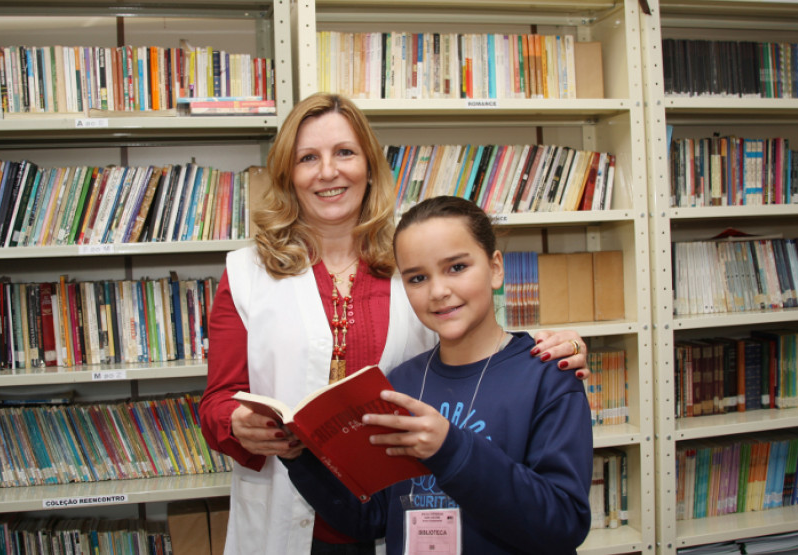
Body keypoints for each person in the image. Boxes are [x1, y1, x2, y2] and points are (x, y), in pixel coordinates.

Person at [198, 92, 590, 555]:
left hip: (402, 516)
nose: (328, 172)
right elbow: (217, 402)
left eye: (344, 152)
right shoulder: (248, 272)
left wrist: (551, 347)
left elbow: (473, 332)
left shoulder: (412, 254)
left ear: (369, 164)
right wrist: (238, 423)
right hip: (293, 516)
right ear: (288, 174)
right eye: (308, 158)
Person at [282, 195, 593, 554]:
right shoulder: (400, 383)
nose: (439, 291)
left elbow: (563, 523)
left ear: (495, 268)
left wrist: (451, 448)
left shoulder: (548, 377)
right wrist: (301, 457)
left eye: (457, 267)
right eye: (417, 278)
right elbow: (372, 518)